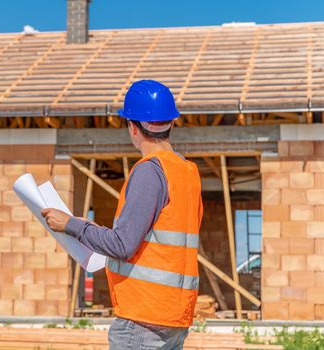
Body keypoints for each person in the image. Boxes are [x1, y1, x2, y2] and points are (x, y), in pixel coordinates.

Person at [41, 80, 203, 350]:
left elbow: (123, 245)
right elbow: (158, 239)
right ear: (171, 123)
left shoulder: (150, 171)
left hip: (143, 317)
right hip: (174, 315)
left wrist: (71, 225)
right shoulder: (186, 173)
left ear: (132, 127)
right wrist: (92, 229)